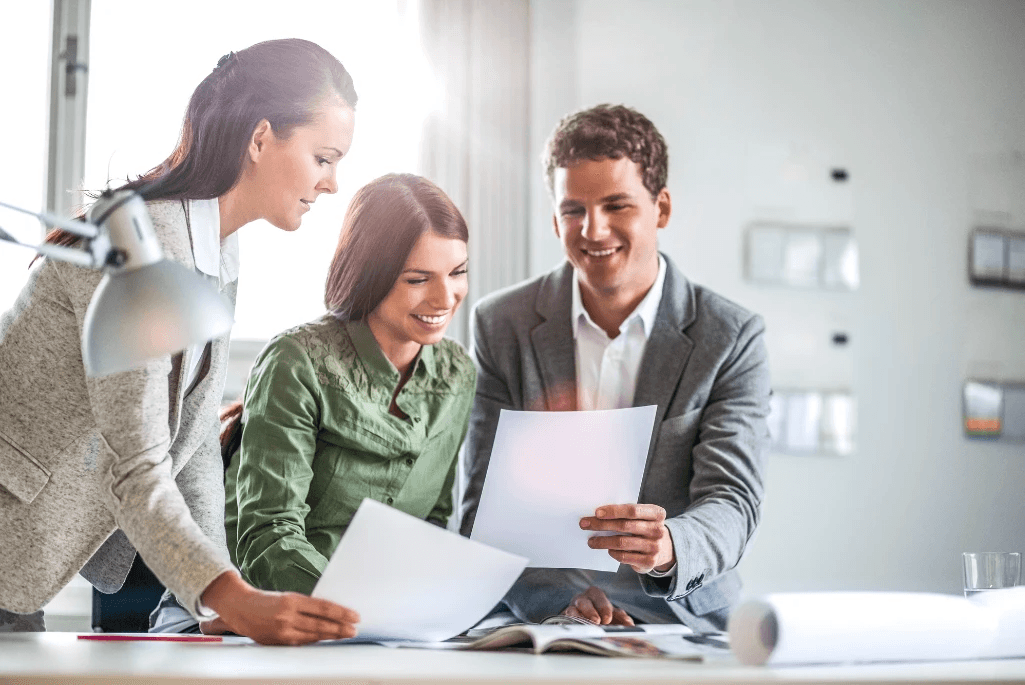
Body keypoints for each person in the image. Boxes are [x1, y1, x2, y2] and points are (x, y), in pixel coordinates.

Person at [0, 38, 361, 644]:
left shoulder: (217, 244)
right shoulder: (144, 249)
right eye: (323, 157)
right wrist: (232, 597)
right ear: (260, 138)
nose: (332, 183)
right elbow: (136, 463)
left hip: (22, 570)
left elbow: (189, 441)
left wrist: (214, 598)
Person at [460, 104, 771, 631]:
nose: (593, 229)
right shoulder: (501, 324)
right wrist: (555, 603)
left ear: (662, 208)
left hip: (680, 615)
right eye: (573, 209)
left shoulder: (731, 336)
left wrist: (670, 546)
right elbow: (482, 508)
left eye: (616, 205)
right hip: (543, 614)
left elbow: (732, 500)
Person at [219, 173, 475, 597]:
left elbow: (431, 524)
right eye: (418, 279)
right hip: (263, 615)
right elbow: (269, 539)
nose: (445, 298)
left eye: (458, 272)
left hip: (384, 627)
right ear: (369, 274)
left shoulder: (457, 374)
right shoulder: (297, 361)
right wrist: (361, 610)